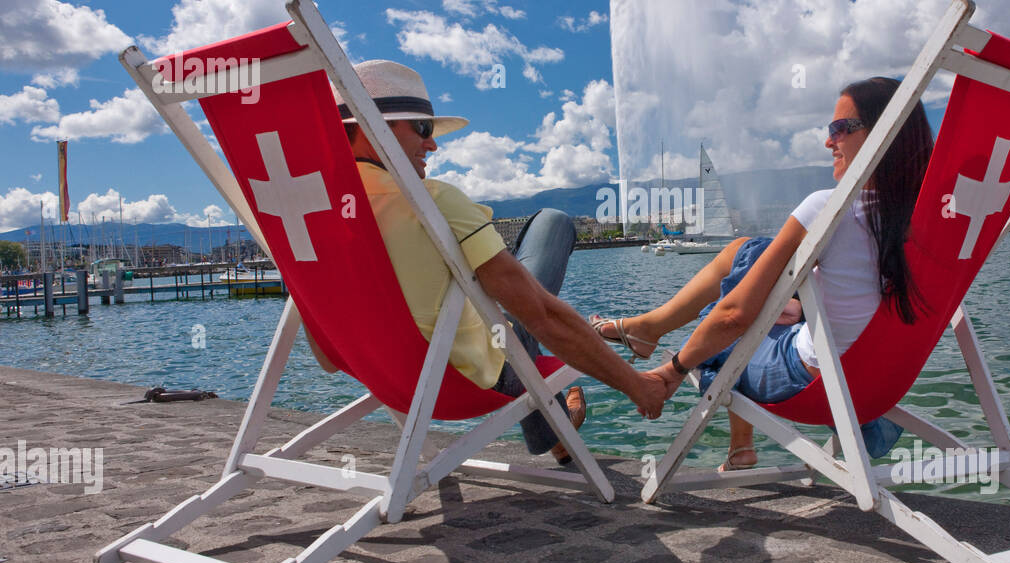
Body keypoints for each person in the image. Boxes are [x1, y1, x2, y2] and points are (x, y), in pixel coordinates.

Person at [320, 60, 668, 464]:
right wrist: (637, 386)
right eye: (423, 128)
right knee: (552, 226)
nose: (432, 144)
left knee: (505, 299)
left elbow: (331, 347)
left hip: (376, 372)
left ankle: (549, 405)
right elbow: (541, 314)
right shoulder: (431, 201)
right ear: (371, 126)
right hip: (465, 379)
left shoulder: (313, 212)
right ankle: (550, 422)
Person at [592, 78, 933, 470]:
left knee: (723, 316)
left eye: (840, 129)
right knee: (749, 252)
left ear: (884, 132)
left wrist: (673, 371)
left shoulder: (830, 208)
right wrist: (798, 307)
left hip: (814, 381)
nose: (829, 142)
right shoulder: (942, 218)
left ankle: (650, 333)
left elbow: (733, 317)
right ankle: (657, 339)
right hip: (886, 376)